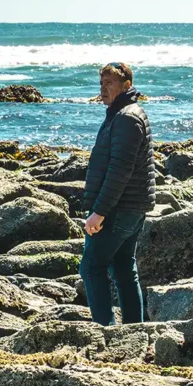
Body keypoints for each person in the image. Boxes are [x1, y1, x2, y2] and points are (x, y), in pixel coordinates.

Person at [80, 61, 155, 325]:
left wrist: (98, 213)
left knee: (91, 267)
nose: (103, 88)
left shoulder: (126, 118)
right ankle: (135, 330)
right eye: (101, 83)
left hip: (120, 208)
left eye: (109, 83)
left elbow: (119, 171)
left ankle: (105, 331)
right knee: (123, 268)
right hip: (130, 206)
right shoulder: (121, 114)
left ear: (127, 86)